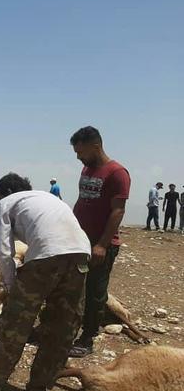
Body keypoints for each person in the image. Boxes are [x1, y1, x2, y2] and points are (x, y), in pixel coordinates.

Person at [0, 173, 91, 391]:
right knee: (63, 324)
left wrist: (12, 285)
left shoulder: (7, 202)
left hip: (46, 258)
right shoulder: (51, 199)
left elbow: (5, 251)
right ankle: (39, 387)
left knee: (17, 319)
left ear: (4, 193)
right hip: (81, 254)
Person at [68, 126, 131, 358]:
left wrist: (102, 245)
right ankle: (69, 328)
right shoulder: (87, 169)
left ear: (95, 146)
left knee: (95, 290)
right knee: (75, 286)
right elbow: (83, 201)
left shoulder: (117, 173)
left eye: (80, 152)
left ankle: (88, 337)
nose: (78, 157)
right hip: (80, 240)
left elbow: (118, 211)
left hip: (100, 244)